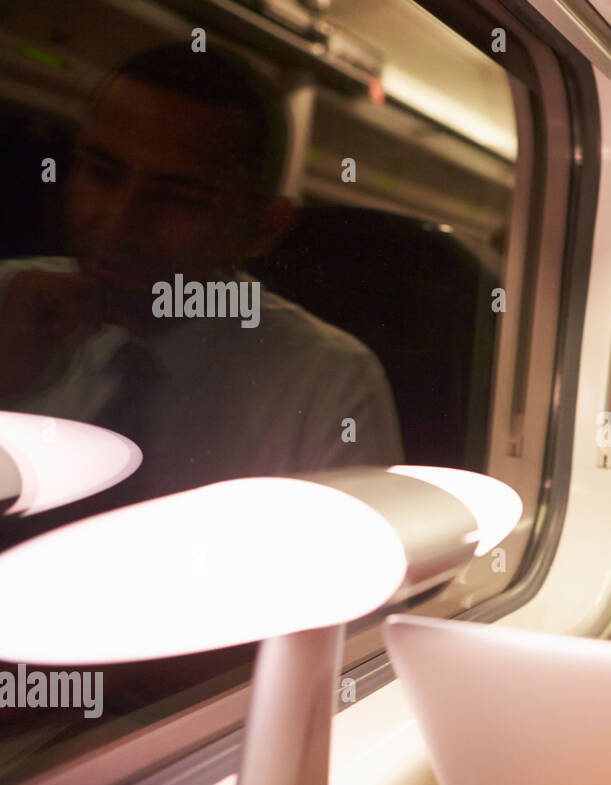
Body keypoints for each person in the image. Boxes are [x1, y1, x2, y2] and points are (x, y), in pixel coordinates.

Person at [0, 41, 402, 535]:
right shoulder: (9, 300)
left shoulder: (328, 383)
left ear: (263, 230)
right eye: (102, 174)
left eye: (180, 200)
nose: (119, 224)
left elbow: (357, 586)